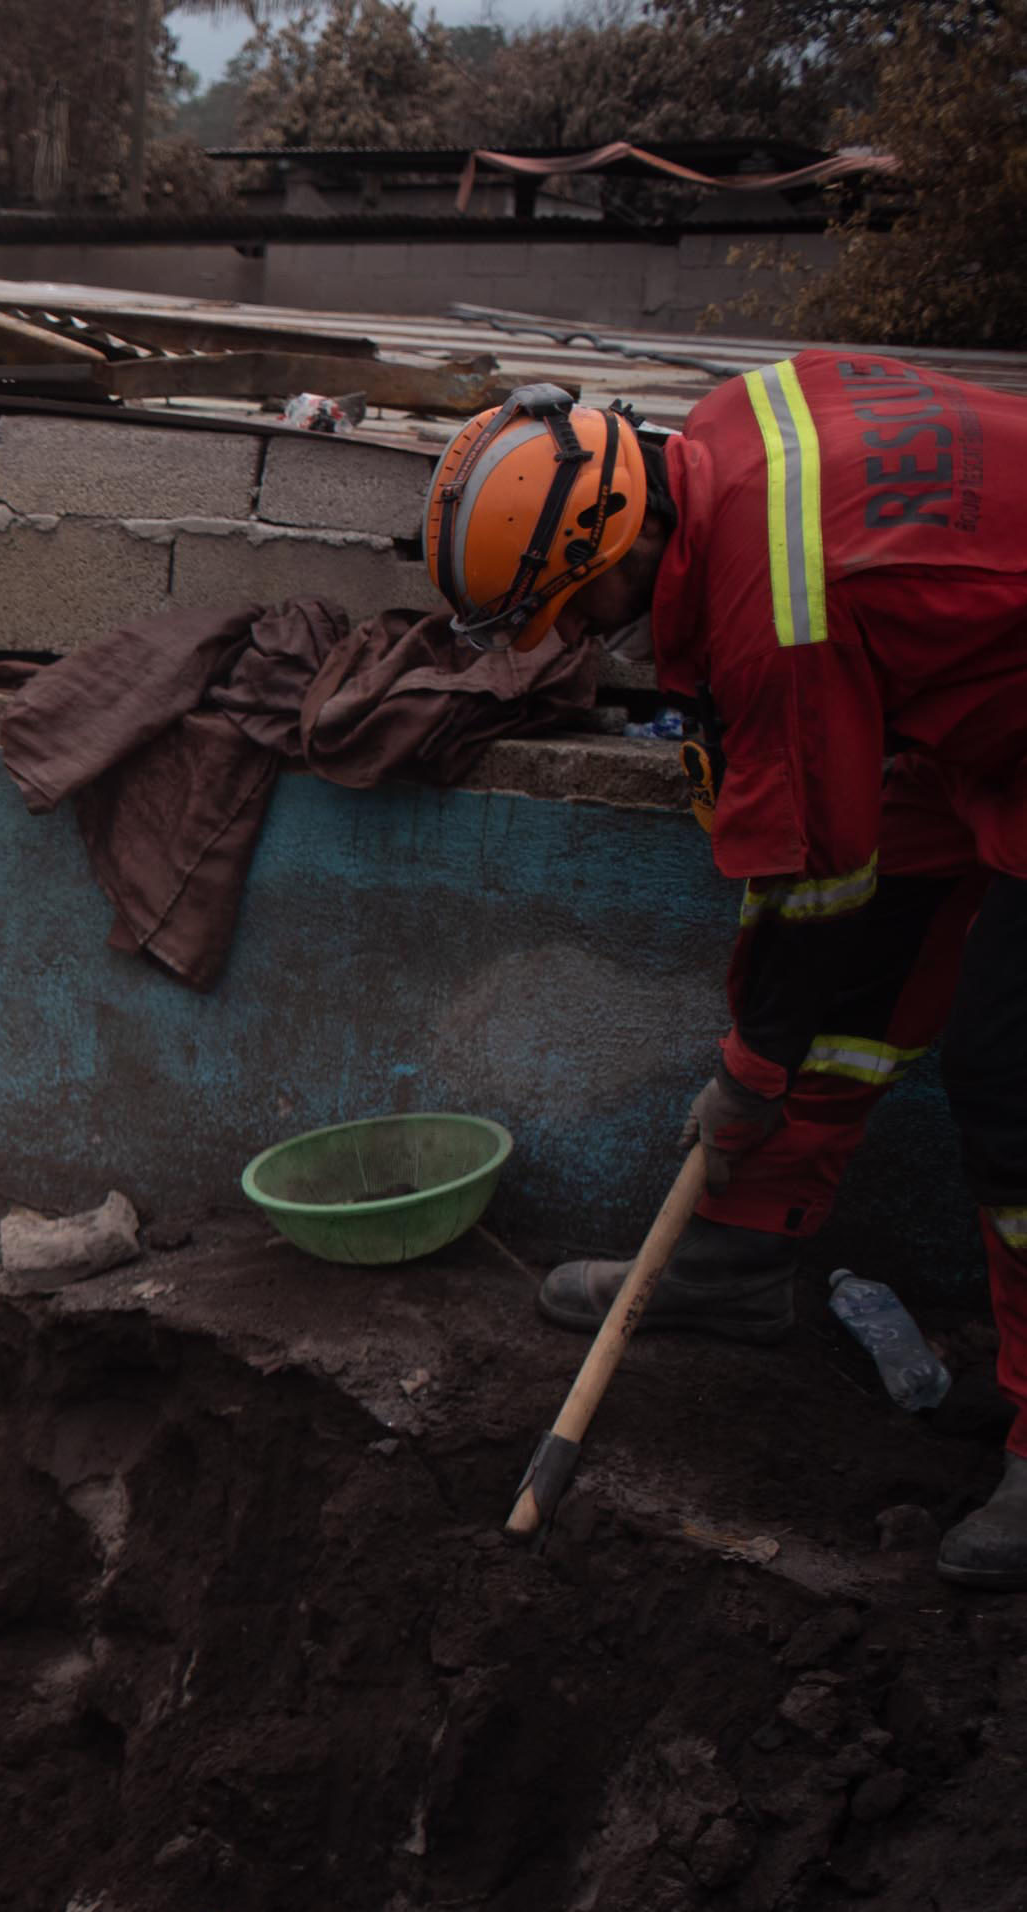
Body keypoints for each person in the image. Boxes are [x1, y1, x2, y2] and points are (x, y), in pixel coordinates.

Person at [425, 363, 1027, 1588]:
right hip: (980, 701)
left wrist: (746, 1075)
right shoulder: (723, 429)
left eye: (582, 610)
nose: (592, 638)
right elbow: (838, 877)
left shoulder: (779, 604)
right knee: (870, 960)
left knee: (1011, 1084)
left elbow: (804, 884)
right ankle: (739, 1261)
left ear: (619, 536)